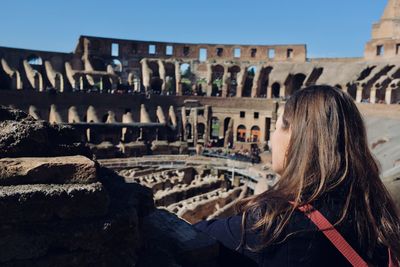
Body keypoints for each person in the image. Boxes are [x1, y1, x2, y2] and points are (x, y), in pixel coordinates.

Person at [196, 85, 400, 266]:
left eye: (276, 127)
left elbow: (192, 235)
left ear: (295, 139)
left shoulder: (274, 223)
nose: (271, 138)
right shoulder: (379, 212)